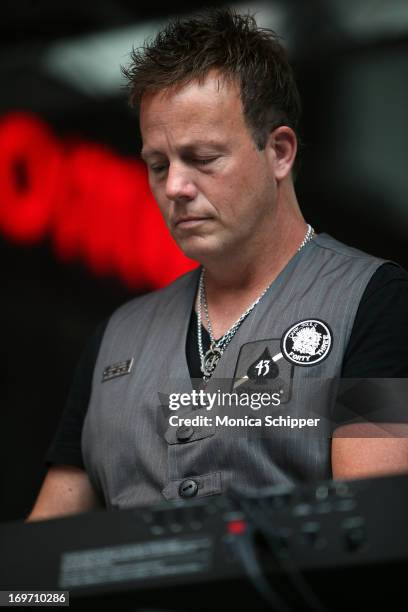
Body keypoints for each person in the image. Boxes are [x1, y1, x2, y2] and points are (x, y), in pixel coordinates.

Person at [27, 8, 408, 521]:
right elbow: (41, 560)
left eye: (202, 159)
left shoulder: (375, 300)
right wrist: (37, 602)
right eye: (158, 165)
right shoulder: (115, 337)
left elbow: (373, 527)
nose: (175, 188)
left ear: (279, 151)